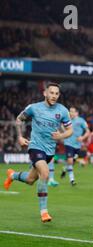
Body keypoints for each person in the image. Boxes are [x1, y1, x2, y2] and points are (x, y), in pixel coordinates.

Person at [3, 82, 73, 222]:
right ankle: (44, 212)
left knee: (30, 180)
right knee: (45, 173)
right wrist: (20, 137)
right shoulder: (34, 108)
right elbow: (19, 119)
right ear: (45, 93)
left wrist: (61, 136)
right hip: (35, 147)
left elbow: (70, 131)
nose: (53, 96)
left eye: (56, 93)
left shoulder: (63, 111)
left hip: (49, 151)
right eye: (51, 92)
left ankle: (12, 175)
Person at [60, 107, 90, 186]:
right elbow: (63, 128)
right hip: (68, 143)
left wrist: (82, 137)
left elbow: (88, 131)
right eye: (70, 111)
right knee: (70, 161)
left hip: (78, 145)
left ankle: (64, 169)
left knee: (72, 161)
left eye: (72, 111)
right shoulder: (67, 120)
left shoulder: (81, 121)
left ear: (77, 113)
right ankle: (72, 180)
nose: (71, 113)